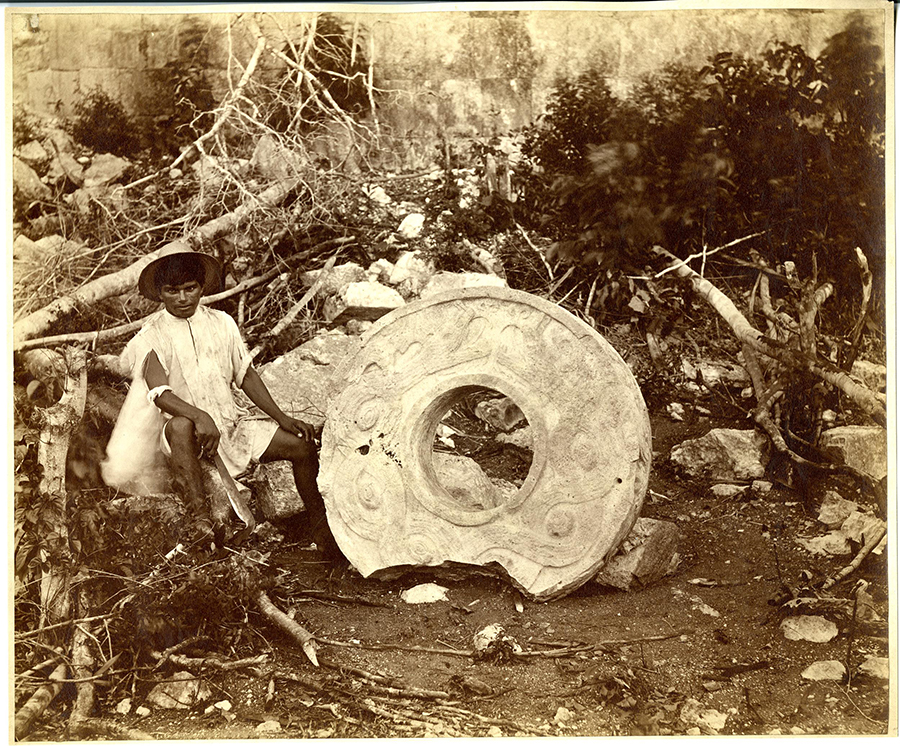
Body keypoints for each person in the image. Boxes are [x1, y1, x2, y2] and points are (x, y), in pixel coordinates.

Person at [102, 241, 339, 556]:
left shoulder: (222, 323)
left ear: (201, 288)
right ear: (160, 293)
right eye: (173, 290)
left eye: (190, 288)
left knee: (302, 445)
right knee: (180, 425)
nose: (183, 298)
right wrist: (201, 417)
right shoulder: (151, 336)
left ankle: (322, 530)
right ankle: (200, 523)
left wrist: (283, 418)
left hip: (229, 424)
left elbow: (246, 375)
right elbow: (159, 393)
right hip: (184, 437)